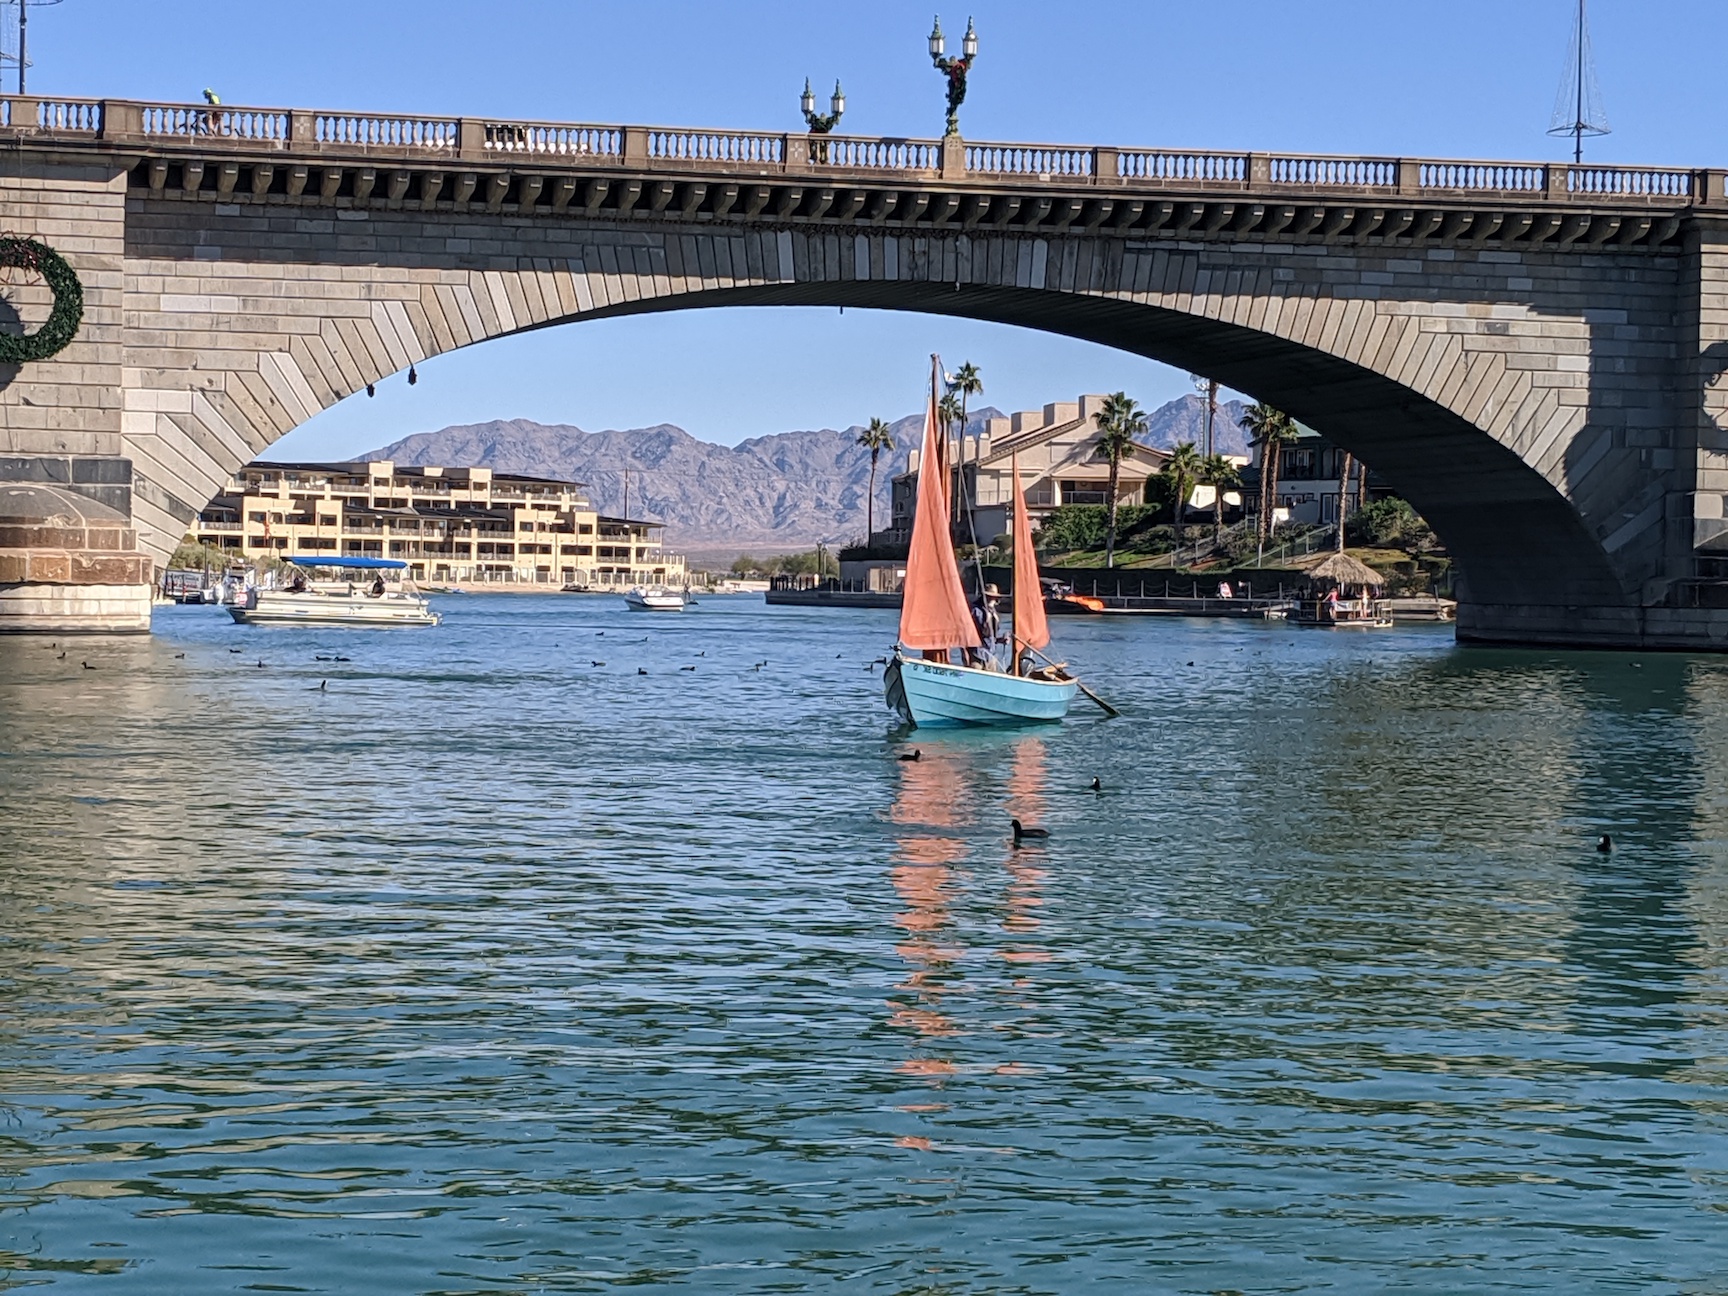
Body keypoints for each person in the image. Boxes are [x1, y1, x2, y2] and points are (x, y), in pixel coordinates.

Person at [970, 584, 1002, 669]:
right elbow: (981, 631)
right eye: (990, 597)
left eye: (994, 597)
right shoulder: (976, 611)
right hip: (978, 656)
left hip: (991, 656)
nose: (993, 600)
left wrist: (1001, 640)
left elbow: (991, 638)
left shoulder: (993, 612)